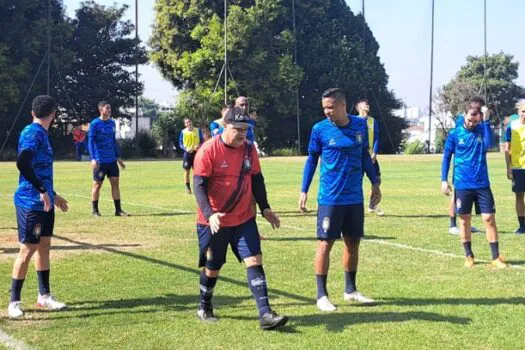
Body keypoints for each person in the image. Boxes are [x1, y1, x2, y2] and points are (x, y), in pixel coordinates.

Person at [193, 106, 288, 330]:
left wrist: (265, 208)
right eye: (237, 129)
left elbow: (257, 179)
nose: (242, 133)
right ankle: (204, 306)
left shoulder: (248, 150)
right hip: (214, 221)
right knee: (213, 267)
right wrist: (210, 214)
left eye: (246, 129)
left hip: (244, 218)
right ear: (224, 126)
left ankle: (265, 314)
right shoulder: (208, 150)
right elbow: (199, 186)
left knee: (254, 259)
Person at [299, 88, 381, 312]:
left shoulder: (360, 125)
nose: (327, 111)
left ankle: (350, 290)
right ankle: (321, 295)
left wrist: (374, 183)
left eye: (331, 107)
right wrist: (304, 189)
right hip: (330, 198)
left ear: (343, 106)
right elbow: (312, 160)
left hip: (354, 197)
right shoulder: (319, 130)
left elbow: (364, 155)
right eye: (324, 107)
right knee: (325, 244)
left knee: (353, 243)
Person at [8, 95, 69, 319]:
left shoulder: (40, 133)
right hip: (31, 203)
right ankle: (14, 301)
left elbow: (39, 170)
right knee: (28, 249)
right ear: (53, 114)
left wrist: (53, 195)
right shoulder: (32, 133)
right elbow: (22, 163)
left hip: (45, 202)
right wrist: (43, 193)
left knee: (44, 245)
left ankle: (44, 296)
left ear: (33, 112)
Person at [441, 100, 507, 268]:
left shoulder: (481, 129)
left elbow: (489, 144)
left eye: (476, 120)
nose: (472, 123)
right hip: (462, 184)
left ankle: (496, 257)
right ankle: (469, 255)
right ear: (464, 115)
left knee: (489, 218)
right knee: (464, 220)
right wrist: (444, 180)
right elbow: (447, 157)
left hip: (482, 183)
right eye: (470, 119)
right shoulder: (455, 134)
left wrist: (486, 121)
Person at [88, 101, 129, 217]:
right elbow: (90, 142)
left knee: (115, 183)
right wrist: (93, 158)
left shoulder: (112, 123)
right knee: (97, 185)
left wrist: (118, 157)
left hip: (112, 160)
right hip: (100, 160)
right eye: (107, 108)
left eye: (110, 108)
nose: (109, 110)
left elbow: (113, 141)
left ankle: (118, 210)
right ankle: (95, 211)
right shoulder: (95, 124)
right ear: (101, 110)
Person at [355, 99, 384, 216]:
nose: (367, 105)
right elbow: (357, 139)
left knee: (377, 180)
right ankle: (356, 206)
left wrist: (375, 153)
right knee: (358, 181)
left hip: (372, 157)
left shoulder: (373, 121)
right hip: (360, 157)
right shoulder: (355, 121)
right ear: (358, 107)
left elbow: (376, 138)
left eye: (368, 103)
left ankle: (372, 205)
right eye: (364, 103)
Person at [504, 99, 525, 234]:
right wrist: (508, 167)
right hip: (517, 167)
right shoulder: (512, 126)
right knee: (519, 197)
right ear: (518, 112)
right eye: (523, 111)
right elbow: (508, 148)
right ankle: (522, 226)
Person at [178, 118, 204, 194]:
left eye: (189, 121)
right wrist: (186, 149)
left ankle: (197, 188)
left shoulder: (198, 130)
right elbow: (180, 143)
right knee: (187, 171)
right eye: (186, 123)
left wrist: (199, 146)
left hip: (197, 154)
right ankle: (187, 188)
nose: (188, 123)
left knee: (197, 172)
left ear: (191, 122)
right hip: (187, 154)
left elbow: (202, 141)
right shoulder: (183, 132)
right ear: (185, 124)